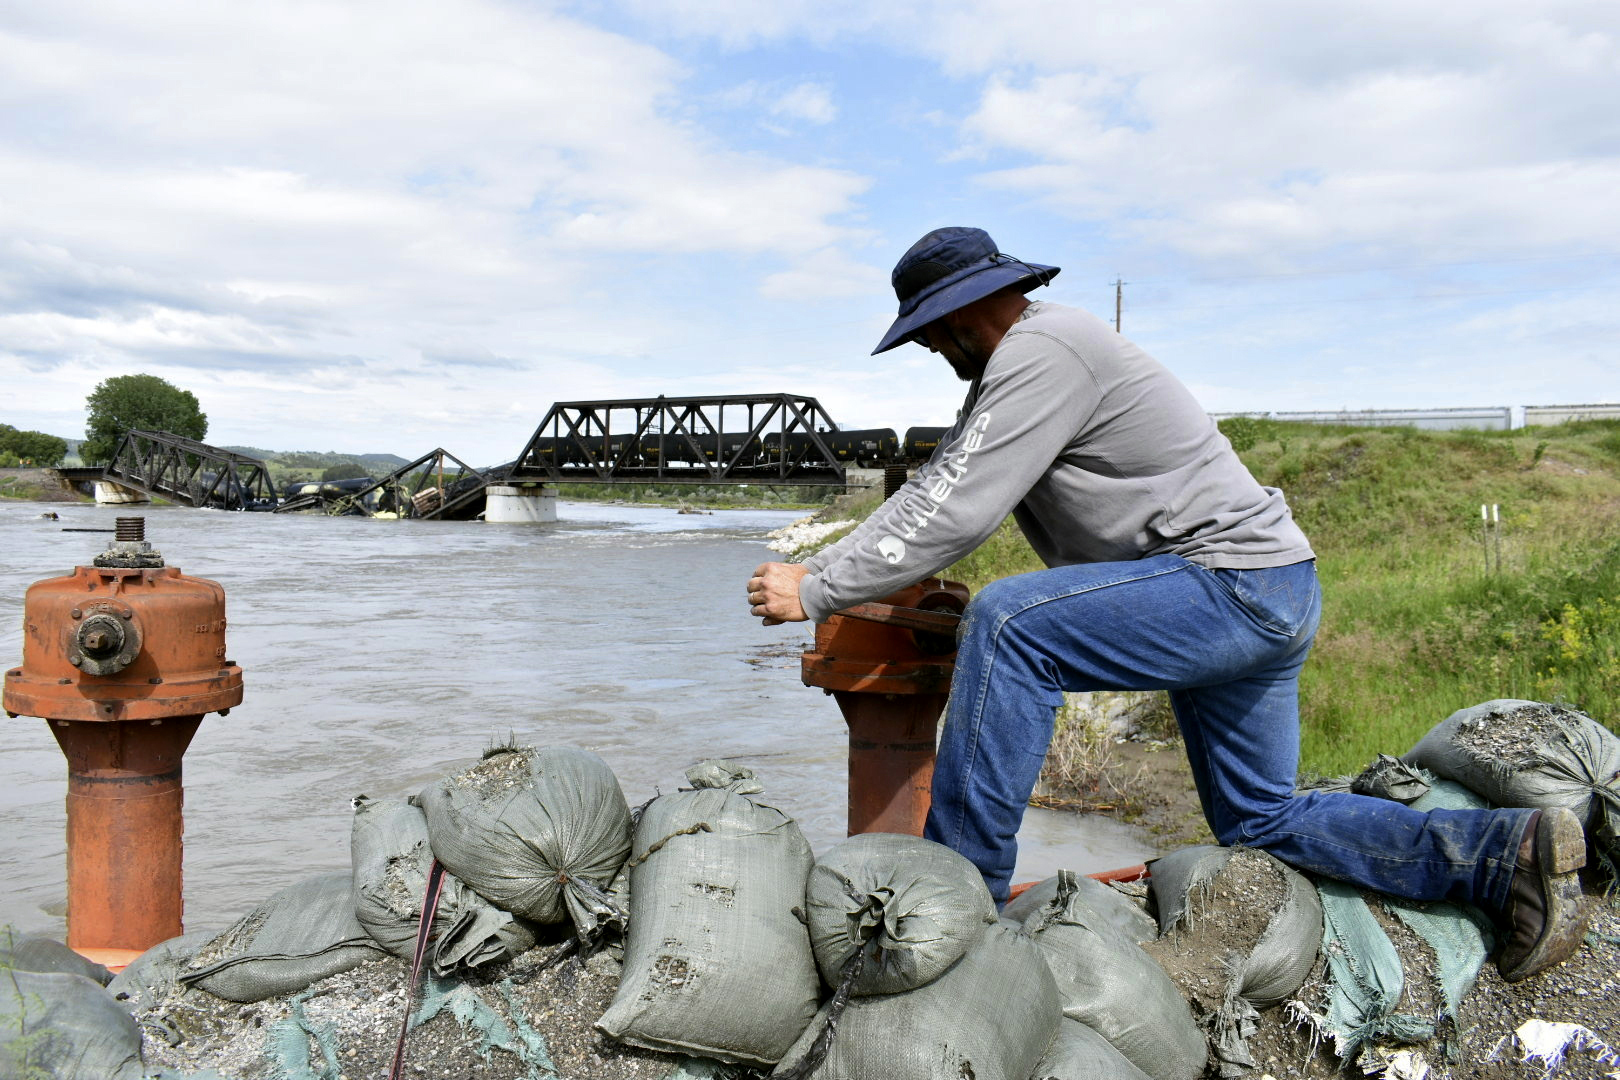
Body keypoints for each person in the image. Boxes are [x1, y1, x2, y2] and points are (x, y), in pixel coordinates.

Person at [747, 226, 1591, 982]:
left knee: (1008, 626)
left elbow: (960, 505)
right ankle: (1504, 857)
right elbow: (944, 484)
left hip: (1226, 586)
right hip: (1266, 585)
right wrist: (849, 561)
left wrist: (817, 587)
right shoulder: (1022, 370)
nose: (931, 344)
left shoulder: (1048, 348)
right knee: (1261, 816)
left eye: (933, 326)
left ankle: (957, 900)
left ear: (974, 306)